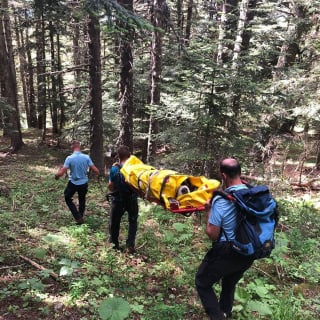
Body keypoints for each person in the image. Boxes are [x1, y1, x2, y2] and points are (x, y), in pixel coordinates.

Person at [195, 158, 255, 320]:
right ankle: (225, 312)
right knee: (229, 281)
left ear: (223, 175)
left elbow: (213, 234)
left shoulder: (222, 200)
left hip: (228, 251)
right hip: (250, 251)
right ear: (239, 172)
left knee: (202, 282)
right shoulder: (252, 193)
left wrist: (209, 210)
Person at [55, 140, 99, 224]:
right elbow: (96, 170)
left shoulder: (70, 158)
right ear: (79, 146)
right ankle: (80, 216)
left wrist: (56, 175)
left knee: (67, 197)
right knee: (82, 199)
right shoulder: (86, 157)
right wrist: (97, 174)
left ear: (72, 147)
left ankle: (77, 217)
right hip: (84, 183)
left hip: (73, 183)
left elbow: (61, 172)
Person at [108, 145, 139, 253]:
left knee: (114, 222)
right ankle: (130, 245)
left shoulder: (115, 168)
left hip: (118, 200)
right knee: (133, 222)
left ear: (118, 157)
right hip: (132, 199)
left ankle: (114, 245)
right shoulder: (135, 168)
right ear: (129, 156)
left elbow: (110, 186)